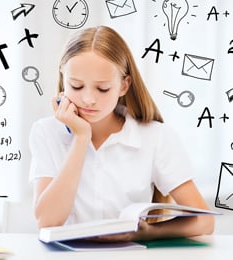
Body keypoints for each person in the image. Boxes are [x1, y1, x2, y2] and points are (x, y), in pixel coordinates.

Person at [29, 26, 214, 241]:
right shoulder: (46, 132)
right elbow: (47, 222)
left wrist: (149, 233)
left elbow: (205, 221)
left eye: (103, 89)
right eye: (77, 86)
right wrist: (81, 138)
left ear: (124, 86)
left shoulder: (155, 136)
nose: (89, 99)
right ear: (63, 80)